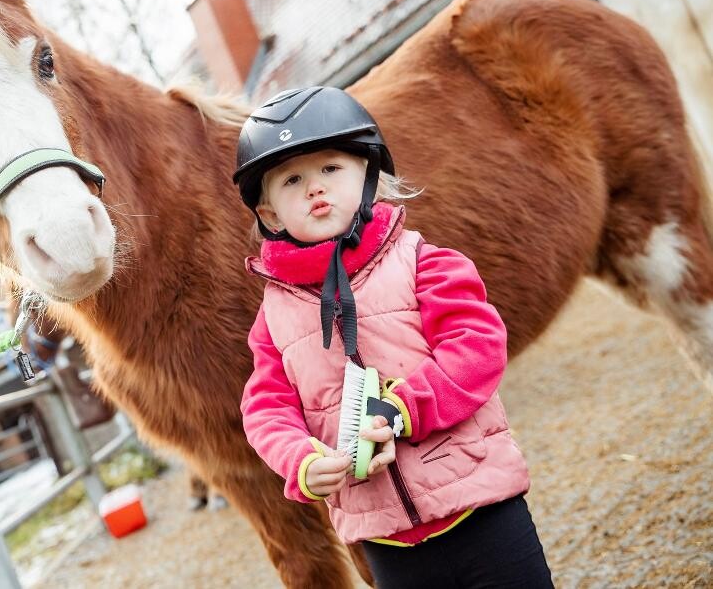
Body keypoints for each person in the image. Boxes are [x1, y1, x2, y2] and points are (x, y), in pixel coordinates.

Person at [233, 87, 553, 587]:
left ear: (368, 176)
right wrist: (300, 460)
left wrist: (403, 408)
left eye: (331, 170)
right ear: (270, 214)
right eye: (292, 180)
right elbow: (265, 406)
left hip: (480, 505)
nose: (315, 188)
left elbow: (476, 345)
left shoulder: (424, 260)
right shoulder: (272, 316)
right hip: (383, 537)